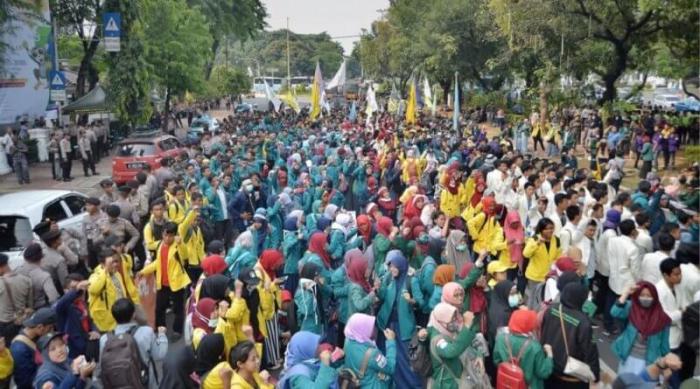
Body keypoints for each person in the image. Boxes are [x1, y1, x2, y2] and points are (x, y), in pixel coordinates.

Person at [375, 250, 422, 388]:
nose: (391, 269)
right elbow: (383, 296)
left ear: (401, 266)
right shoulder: (389, 278)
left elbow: (421, 302)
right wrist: (378, 289)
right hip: (388, 324)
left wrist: (411, 300)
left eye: (394, 267)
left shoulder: (411, 280)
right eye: (390, 266)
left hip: (403, 327)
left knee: (404, 359)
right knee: (386, 355)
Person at [539, 283, 599, 388]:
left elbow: (544, 332)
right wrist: (595, 374)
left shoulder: (551, 309)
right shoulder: (583, 322)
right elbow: (590, 351)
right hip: (571, 376)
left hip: (550, 366)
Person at [99, 298, 168, 389]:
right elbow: (160, 354)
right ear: (134, 315)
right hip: (144, 383)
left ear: (114, 317)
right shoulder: (146, 332)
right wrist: (162, 335)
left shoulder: (105, 339)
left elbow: (102, 365)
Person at [139, 221, 191, 339]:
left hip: (176, 283)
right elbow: (157, 263)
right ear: (162, 234)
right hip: (162, 283)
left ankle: (177, 331)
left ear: (175, 235)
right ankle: (160, 327)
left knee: (178, 309)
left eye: (170, 235)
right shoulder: (159, 245)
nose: (167, 238)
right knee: (159, 308)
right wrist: (144, 271)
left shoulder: (178, 246)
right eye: (165, 235)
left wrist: (181, 243)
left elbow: (185, 256)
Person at [611, 281, 671, 375]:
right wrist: (626, 293)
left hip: (649, 363)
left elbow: (664, 346)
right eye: (642, 295)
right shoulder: (631, 308)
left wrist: (666, 366)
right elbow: (615, 312)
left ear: (654, 297)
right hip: (628, 359)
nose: (645, 298)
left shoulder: (663, 319)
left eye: (649, 295)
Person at [493, 309, 554, 389]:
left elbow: (496, 361)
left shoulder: (500, 339)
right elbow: (543, 372)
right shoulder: (535, 347)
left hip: (507, 384)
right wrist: (549, 356)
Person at [426, 303, 476, 389]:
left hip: (454, 380)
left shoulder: (447, 331)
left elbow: (468, 341)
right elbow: (451, 351)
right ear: (440, 321)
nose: (454, 321)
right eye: (451, 319)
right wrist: (466, 326)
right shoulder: (438, 339)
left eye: (454, 318)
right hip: (446, 383)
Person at [343, 313, 396, 389]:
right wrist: (391, 342)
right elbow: (391, 368)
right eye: (368, 327)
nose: (373, 328)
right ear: (362, 330)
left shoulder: (348, 342)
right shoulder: (372, 354)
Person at [10, 307, 57, 389]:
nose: (51, 331)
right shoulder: (19, 350)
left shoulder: (35, 336)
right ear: (40, 327)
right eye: (50, 328)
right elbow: (25, 382)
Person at [523, 218, 561, 308]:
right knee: (533, 298)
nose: (550, 231)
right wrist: (537, 243)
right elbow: (526, 254)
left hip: (548, 276)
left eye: (552, 228)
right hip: (535, 276)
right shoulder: (535, 239)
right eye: (547, 229)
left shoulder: (556, 240)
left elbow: (558, 256)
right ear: (541, 229)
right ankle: (531, 315)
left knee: (544, 298)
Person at [0, 253, 32, 344]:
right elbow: (30, 305)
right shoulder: (26, 280)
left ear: (1, 267)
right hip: (23, 321)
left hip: (5, 324)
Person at [15, 243, 59, 309]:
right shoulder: (44, 276)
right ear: (41, 257)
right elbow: (53, 298)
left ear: (25, 257)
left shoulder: (16, 271)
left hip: (20, 309)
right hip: (39, 308)